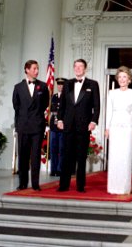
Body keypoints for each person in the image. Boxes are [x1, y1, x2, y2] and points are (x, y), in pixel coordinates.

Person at [56, 59, 100, 193]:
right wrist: (59, 119)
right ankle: (64, 185)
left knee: (81, 157)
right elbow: (62, 105)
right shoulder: (67, 83)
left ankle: (80, 186)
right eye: (76, 66)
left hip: (84, 126)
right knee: (66, 156)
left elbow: (96, 105)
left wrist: (93, 121)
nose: (78, 68)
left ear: (85, 69)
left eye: (81, 66)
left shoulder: (92, 84)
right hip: (68, 125)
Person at [12, 60, 49, 191]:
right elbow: (16, 106)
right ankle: (22, 183)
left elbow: (45, 104)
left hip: (37, 126)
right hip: (23, 126)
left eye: (37, 68)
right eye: (34, 69)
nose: (37, 71)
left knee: (35, 156)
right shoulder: (18, 87)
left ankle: (35, 183)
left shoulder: (43, 87)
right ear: (27, 70)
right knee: (22, 155)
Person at [105, 66, 132, 195]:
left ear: (129, 79)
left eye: (124, 77)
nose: (122, 79)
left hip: (127, 129)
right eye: (120, 77)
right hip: (114, 128)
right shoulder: (112, 93)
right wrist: (107, 128)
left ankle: (124, 187)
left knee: (125, 157)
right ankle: (113, 187)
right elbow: (109, 112)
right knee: (114, 157)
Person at [49, 77, 67, 177]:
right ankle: (53, 169)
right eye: (58, 85)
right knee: (53, 149)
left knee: (61, 149)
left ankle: (60, 169)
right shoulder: (53, 96)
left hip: (62, 125)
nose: (60, 86)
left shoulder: (67, 97)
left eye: (62, 85)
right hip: (53, 125)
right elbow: (51, 110)